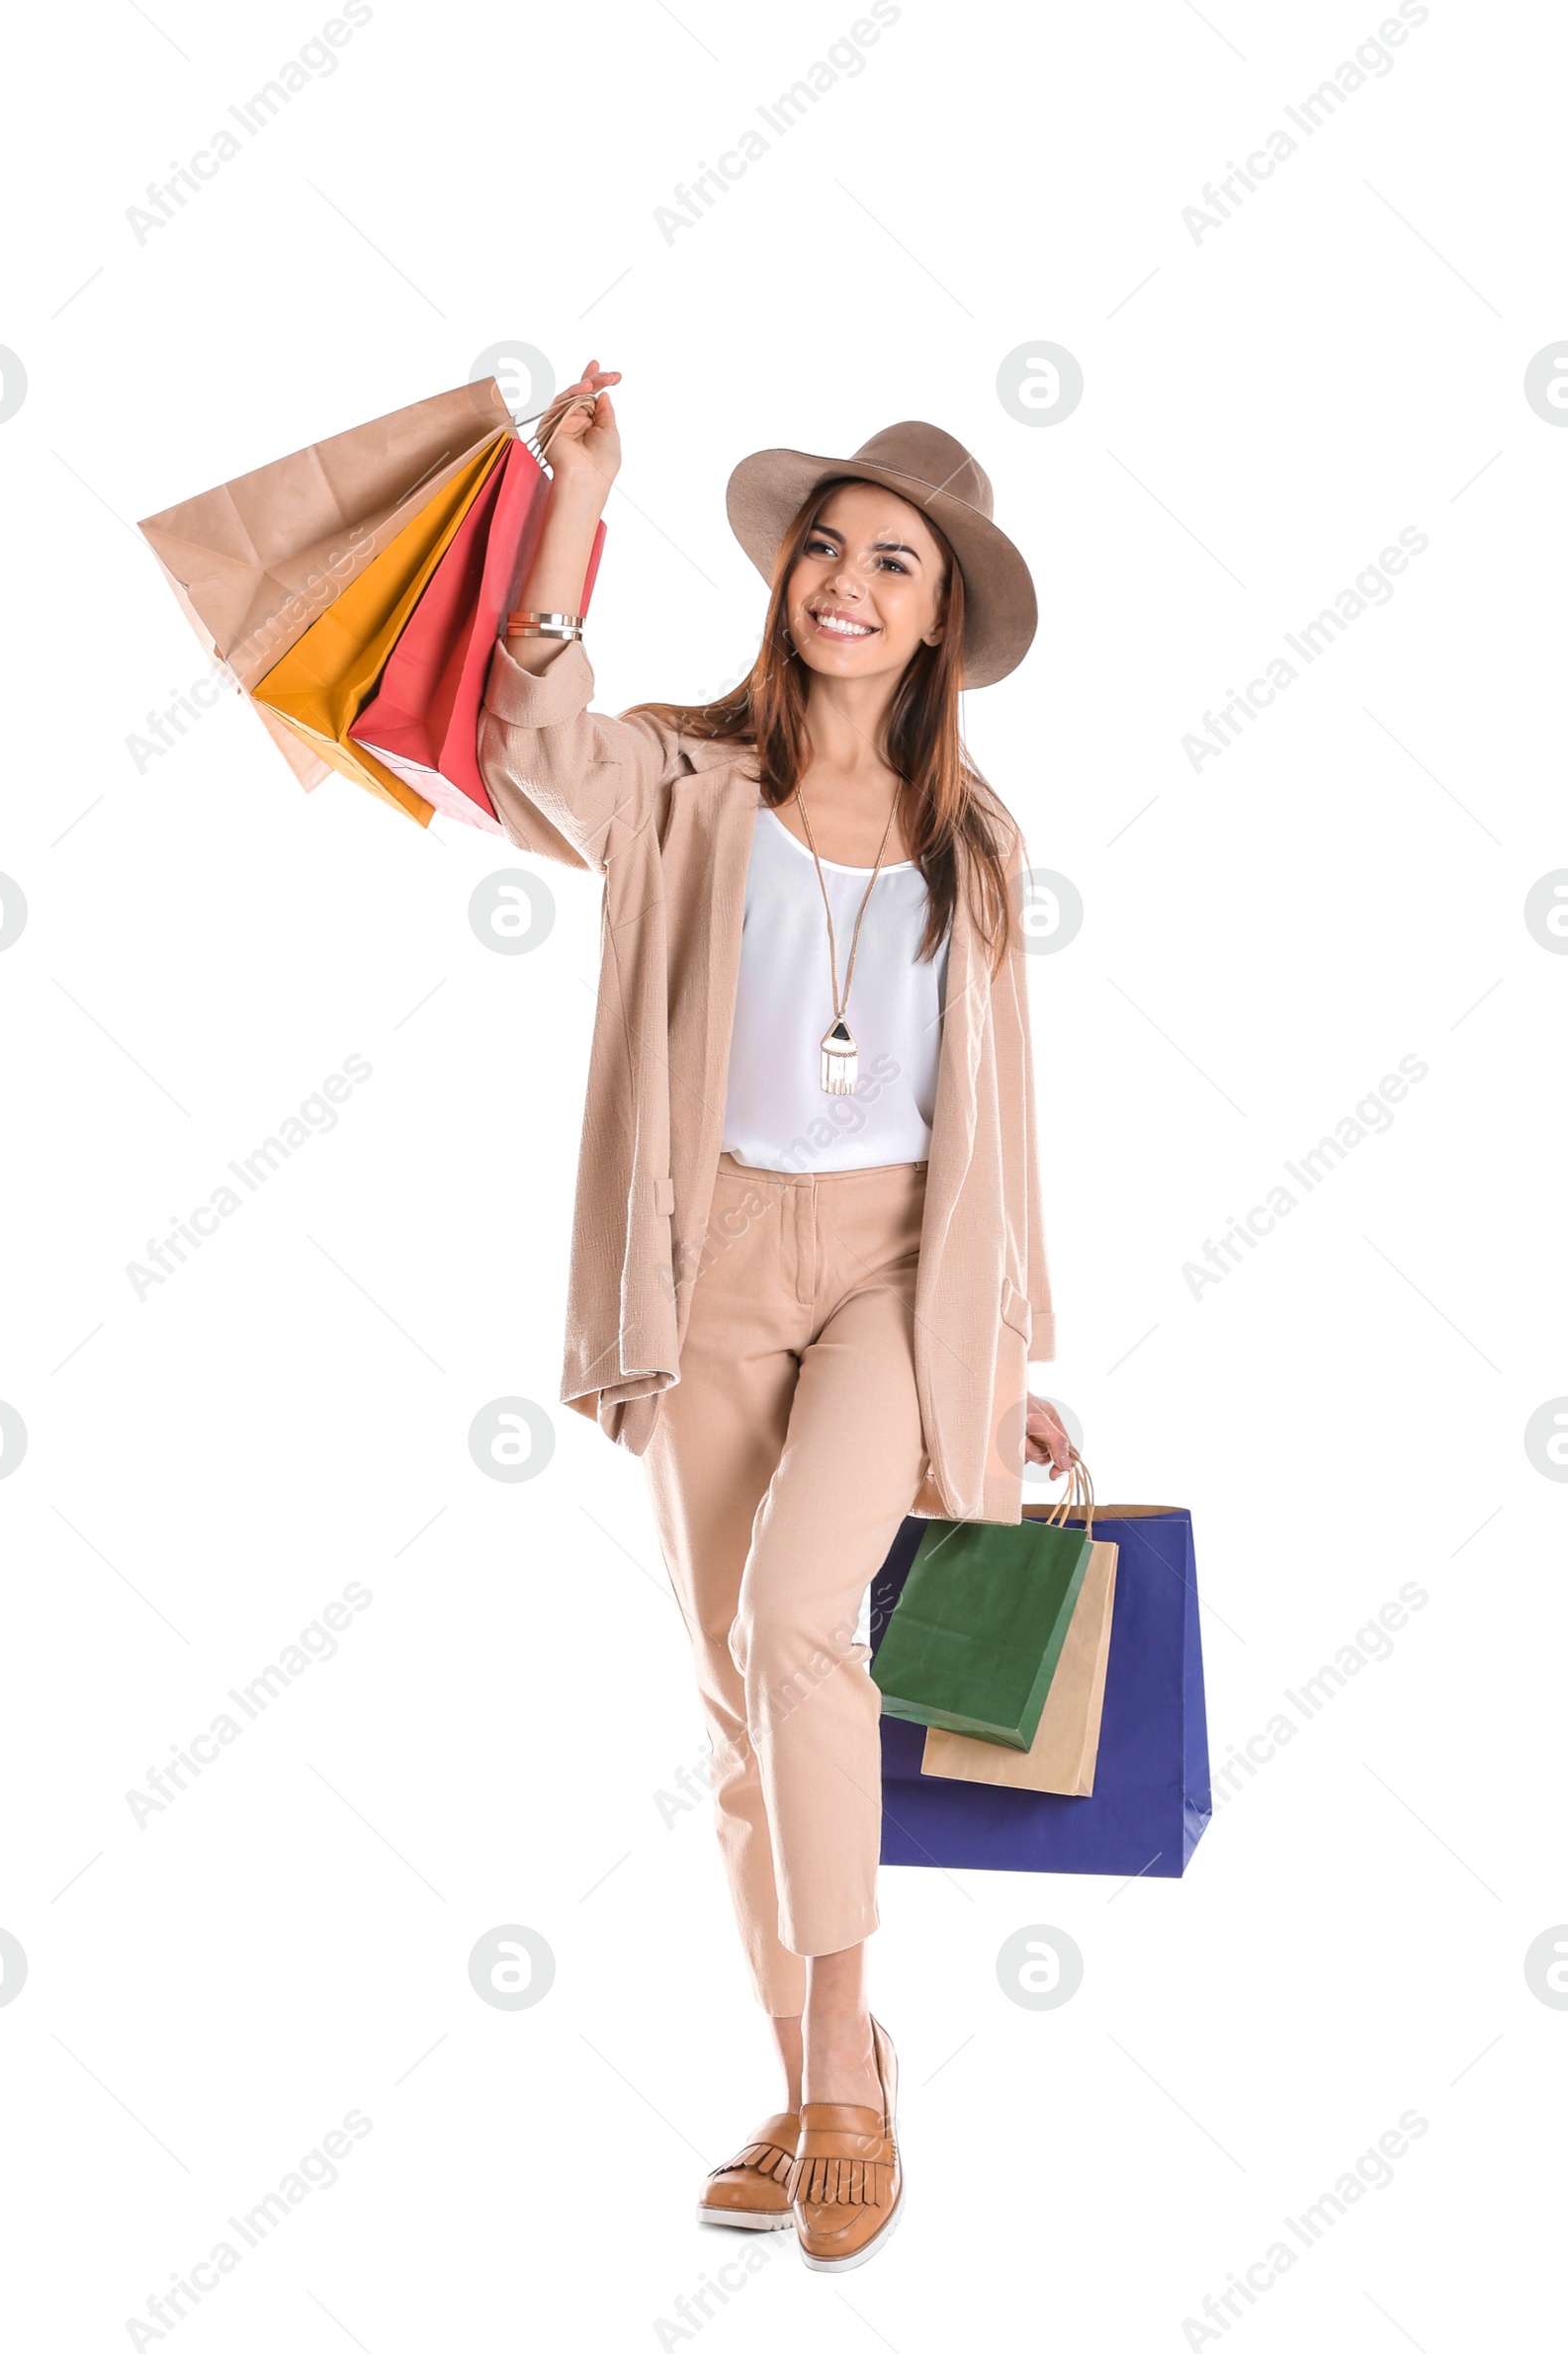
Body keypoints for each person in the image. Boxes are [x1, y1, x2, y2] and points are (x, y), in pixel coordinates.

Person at [478, 360, 1070, 2273]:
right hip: (715, 1263)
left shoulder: (976, 846)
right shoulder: (685, 779)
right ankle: (833, 2059)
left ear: (939, 615)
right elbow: (528, 741)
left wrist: (1015, 1348)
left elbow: (1000, 1121)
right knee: (742, 1700)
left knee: (798, 1615)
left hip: (897, 1272)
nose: (848, 584)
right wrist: (574, 505)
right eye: (827, 549)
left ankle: (834, 2080)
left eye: (892, 564)